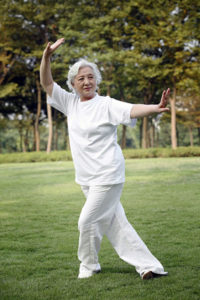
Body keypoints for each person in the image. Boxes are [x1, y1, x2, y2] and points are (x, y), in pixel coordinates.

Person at [40, 38, 170, 280]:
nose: (87, 81)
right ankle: (149, 267)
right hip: (87, 179)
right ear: (73, 84)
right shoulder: (70, 103)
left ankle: (89, 266)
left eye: (90, 77)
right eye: (81, 78)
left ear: (97, 80)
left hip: (108, 175)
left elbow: (131, 109)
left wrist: (154, 107)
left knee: (86, 221)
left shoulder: (106, 104)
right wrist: (46, 57)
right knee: (116, 224)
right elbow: (47, 82)